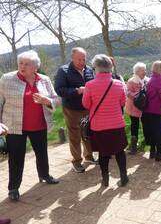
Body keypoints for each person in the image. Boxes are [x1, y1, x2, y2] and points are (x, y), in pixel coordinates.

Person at [0, 50, 60, 201]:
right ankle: (13, 188)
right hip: (14, 126)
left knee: (42, 153)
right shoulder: (7, 79)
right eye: (21, 63)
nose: (22, 66)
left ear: (35, 67)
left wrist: (47, 101)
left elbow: (56, 99)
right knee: (16, 157)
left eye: (27, 64)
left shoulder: (44, 79)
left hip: (39, 124)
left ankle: (44, 175)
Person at [82, 54, 128, 187]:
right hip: (117, 124)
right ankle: (124, 177)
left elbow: (86, 104)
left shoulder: (89, 85)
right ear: (110, 67)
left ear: (96, 68)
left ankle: (105, 179)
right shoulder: (119, 84)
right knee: (120, 151)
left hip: (99, 126)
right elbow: (122, 102)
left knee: (103, 153)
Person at [55, 47, 96, 173]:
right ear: (72, 58)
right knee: (75, 136)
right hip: (72, 109)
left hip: (87, 107)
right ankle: (76, 161)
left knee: (88, 133)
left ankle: (88, 157)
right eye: (79, 59)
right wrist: (77, 91)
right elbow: (59, 90)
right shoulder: (63, 70)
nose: (82, 61)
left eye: (83, 59)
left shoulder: (89, 69)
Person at [141, 61, 161, 161]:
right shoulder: (158, 80)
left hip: (148, 110)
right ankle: (159, 154)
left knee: (152, 131)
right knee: (159, 132)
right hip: (155, 110)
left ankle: (152, 152)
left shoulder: (152, 78)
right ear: (160, 69)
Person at [125, 62, 149, 155]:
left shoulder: (147, 80)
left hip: (144, 106)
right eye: (143, 70)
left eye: (145, 70)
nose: (145, 72)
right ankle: (134, 145)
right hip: (133, 107)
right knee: (134, 124)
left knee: (145, 123)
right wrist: (137, 96)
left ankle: (146, 140)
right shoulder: (132, 81)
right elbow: (127, 92)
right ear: (137, 71)